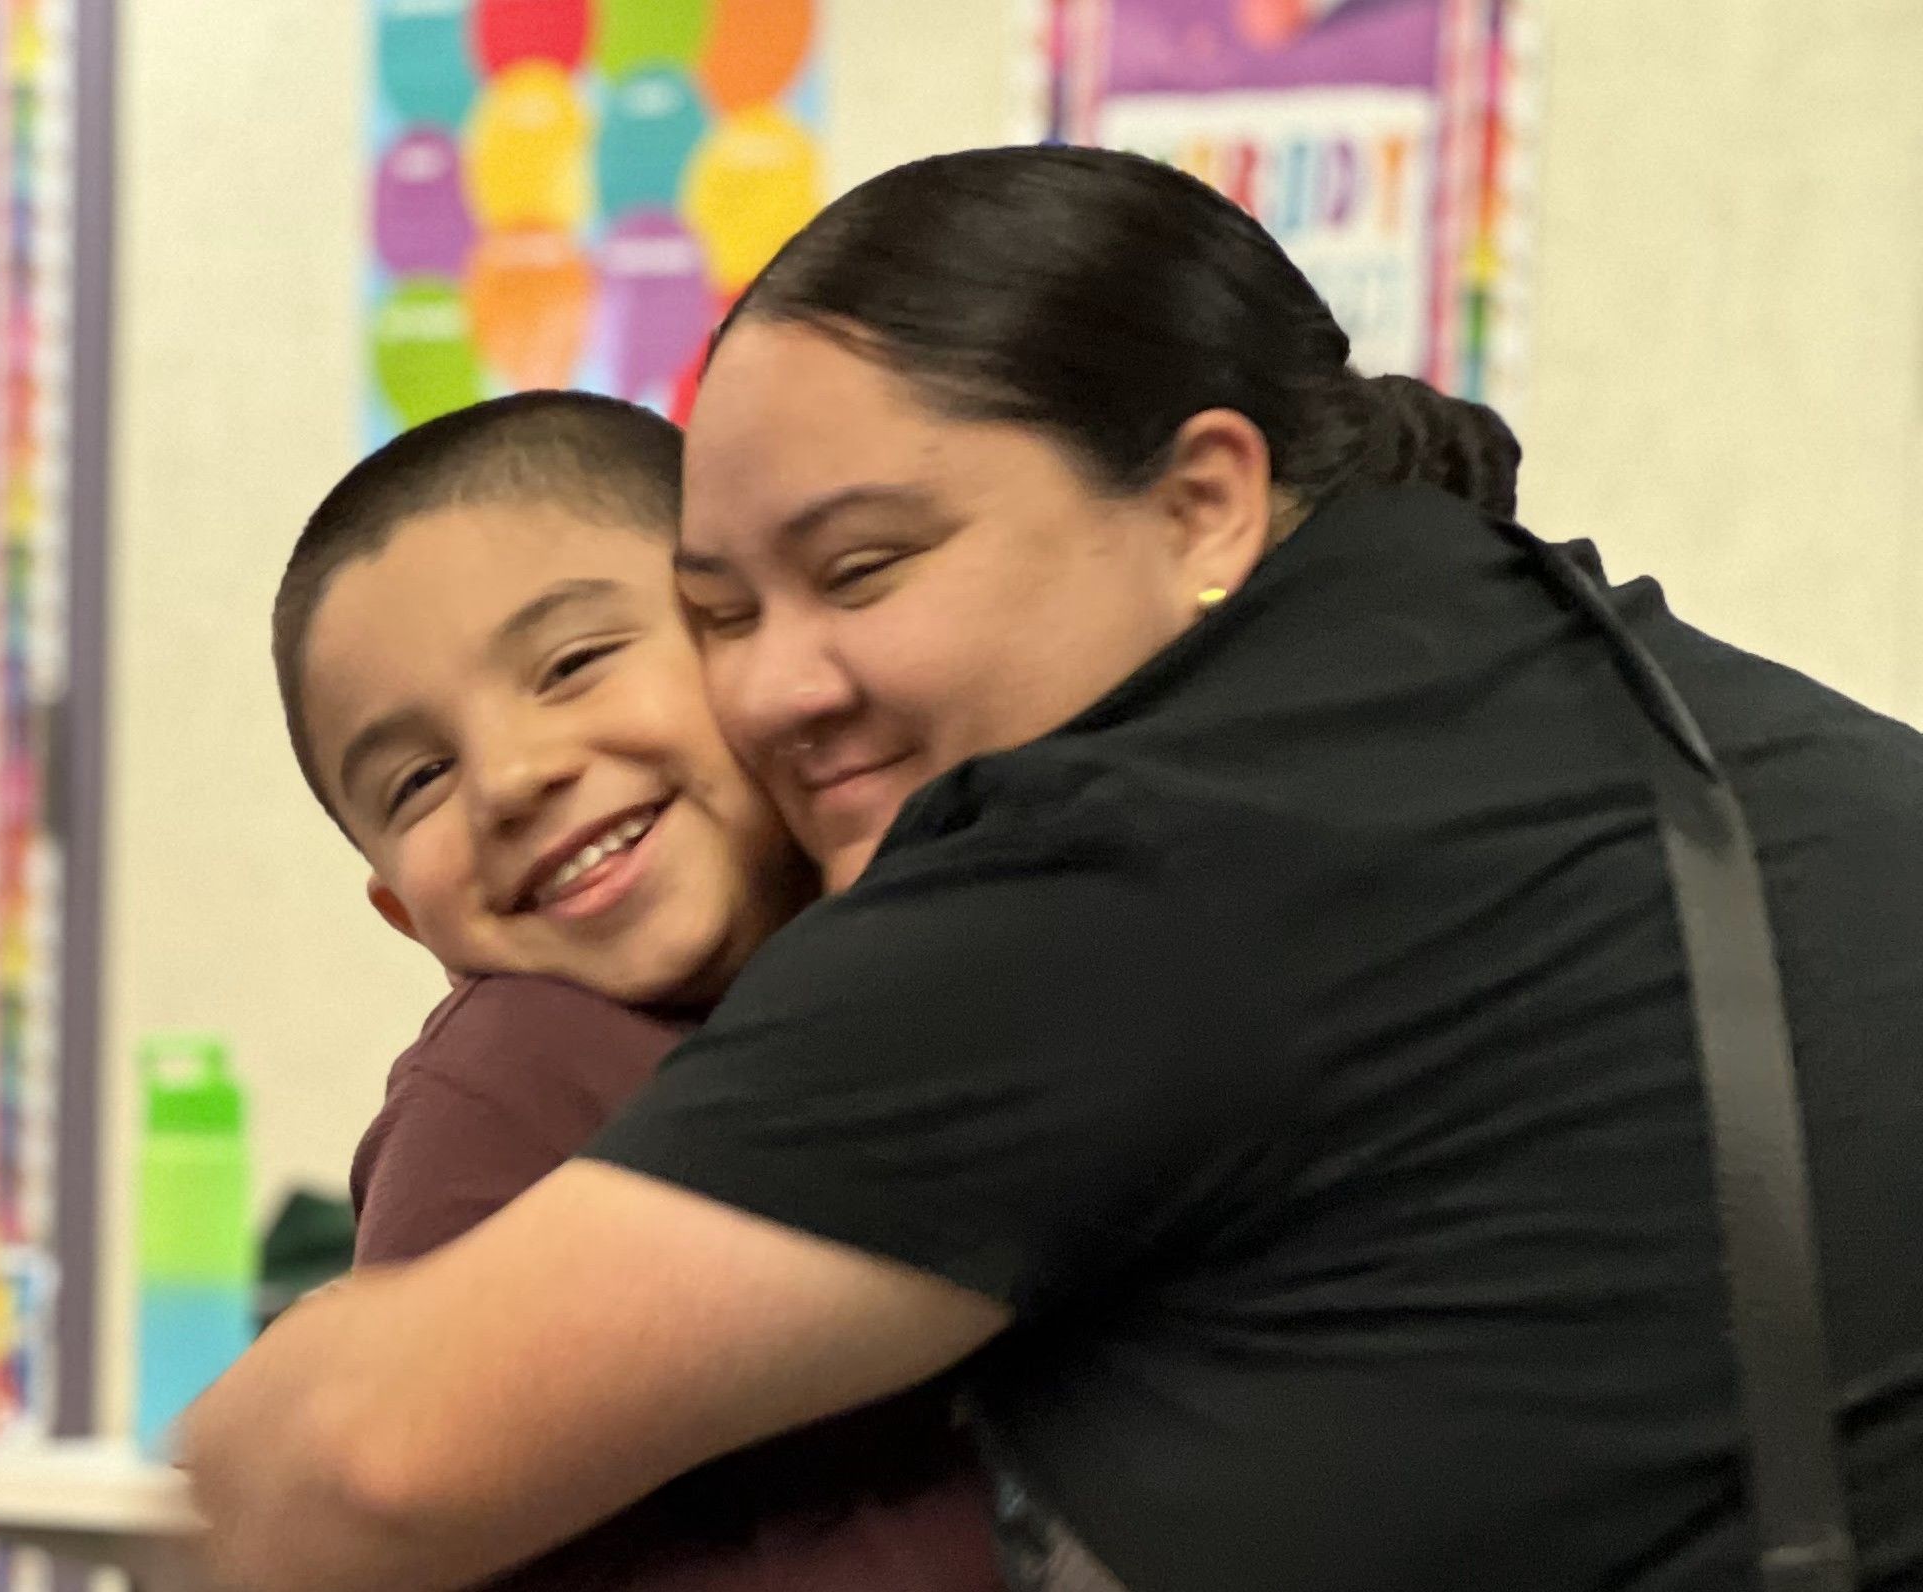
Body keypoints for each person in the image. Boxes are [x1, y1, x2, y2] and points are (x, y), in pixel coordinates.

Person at [178, 144, 1923, 1592]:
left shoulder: (1138, 842)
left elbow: (357, 1466)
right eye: (726, 613)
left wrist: (279, 1389)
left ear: (1200, 502)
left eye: (863, 568)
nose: (777, 689)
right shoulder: (1583, 674)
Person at [269, 388, 1003, 1589]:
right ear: (409, 915)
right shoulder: (515, 1070)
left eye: (571, 664)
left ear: (746, 643)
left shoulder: (948, 963)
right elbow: (403, 1521)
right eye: (418, 779)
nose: (511, 776)